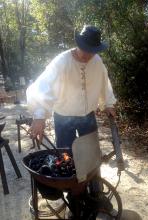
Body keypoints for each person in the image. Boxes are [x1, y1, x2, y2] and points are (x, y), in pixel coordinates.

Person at [26, 25, 117, 218]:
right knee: (66, 159)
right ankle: (74, 198)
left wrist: (108, 103)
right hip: (64, 117)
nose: (88, 55)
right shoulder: (61, 62)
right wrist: (40, 116)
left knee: (92, 157)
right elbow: (43, 87)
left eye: (93, 51)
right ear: (78, 44)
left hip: (87, 117)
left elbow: (104, 82)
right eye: (86, 49)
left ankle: (96, 192)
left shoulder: (97, 61)